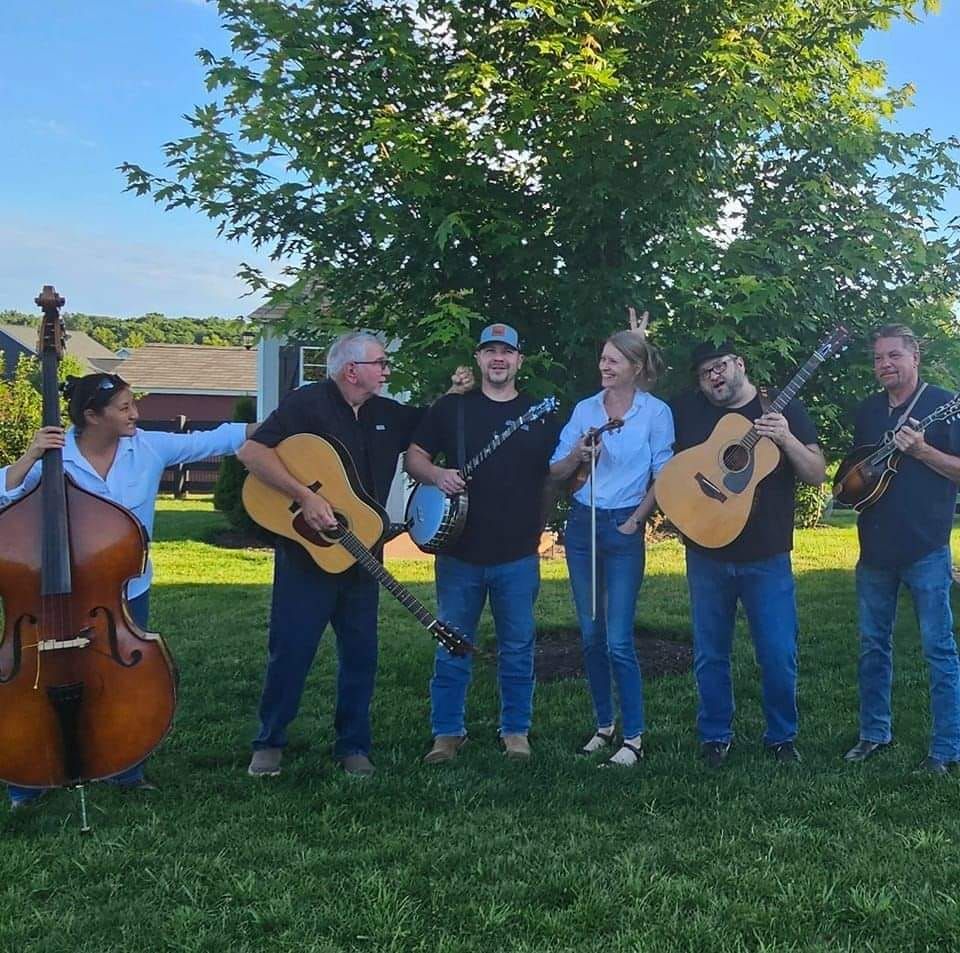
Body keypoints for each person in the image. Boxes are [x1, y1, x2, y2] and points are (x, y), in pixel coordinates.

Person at [0, 371, 255, 810]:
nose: (135, 413)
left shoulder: (148, 447)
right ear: (91, 415)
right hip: (49, 597)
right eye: (124, 407)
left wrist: (288, 419)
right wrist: (29, 457)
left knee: (125, 680)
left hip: (121, 592)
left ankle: (126, 768)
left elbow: (218, 439)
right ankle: (27, 778)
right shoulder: (52, 460)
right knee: (34, 681)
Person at [239, 332, 472, 778]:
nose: (387, 371)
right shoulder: (307, 404)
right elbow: (252, 452)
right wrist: (304, 496)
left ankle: (353, 745)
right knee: (291, 650)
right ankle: (269, 742)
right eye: (380, 364)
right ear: (352, 370)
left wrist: (455, 393)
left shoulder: (387, 413)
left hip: (364, 552)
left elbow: (430, 427)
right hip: (305, 555)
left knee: (361, 653)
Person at [405, 323, 561, 763]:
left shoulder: (540, 413)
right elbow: (414, 455)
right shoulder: (452, 409)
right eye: (490, 351)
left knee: (517, 647)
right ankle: (447, 734)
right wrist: (436, 475)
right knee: (452, 645)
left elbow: (559, 472)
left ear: (518, 361)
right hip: (460, 553)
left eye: (506, 352)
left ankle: (515, 731)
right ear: (478, 358)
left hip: (517, 553)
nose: (498, 359)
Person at [670, 341, 825, 767]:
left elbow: (815, 474)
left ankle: (781, 736)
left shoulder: (781, 407)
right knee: (709, 652)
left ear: (740, 363)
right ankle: (715, 736)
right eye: (704, 373)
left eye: (719, 366)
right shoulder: (689, 410)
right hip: (706, 551)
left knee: (777, 651)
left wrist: (786, 438)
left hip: (767, 555)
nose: (713, 377)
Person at [548, 330, 673, 767]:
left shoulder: (655, 413)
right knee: (590, 634)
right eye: (603, 359)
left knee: (619, 639)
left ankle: (634, 737)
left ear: (636, 368)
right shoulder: (586, 410)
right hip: (583, 524)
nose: (604, 366)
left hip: (624, 524)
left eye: (614, 361)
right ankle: (604, 725)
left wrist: (635, 522)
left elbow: (664, 475)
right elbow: (558, 468)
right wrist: (580, 456)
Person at [843, 325, 960, 774]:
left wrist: (924, 452)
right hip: (873, 548)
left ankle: (947, 748)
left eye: (893, 355)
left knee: (939, 649)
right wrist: (849, 487)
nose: (884, 365)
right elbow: (857, 468)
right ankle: (874, 733)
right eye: (878, 358)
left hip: (926, 546)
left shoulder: (944, 405)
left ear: (915, 358)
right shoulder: (869, 411)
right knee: (873, 645)